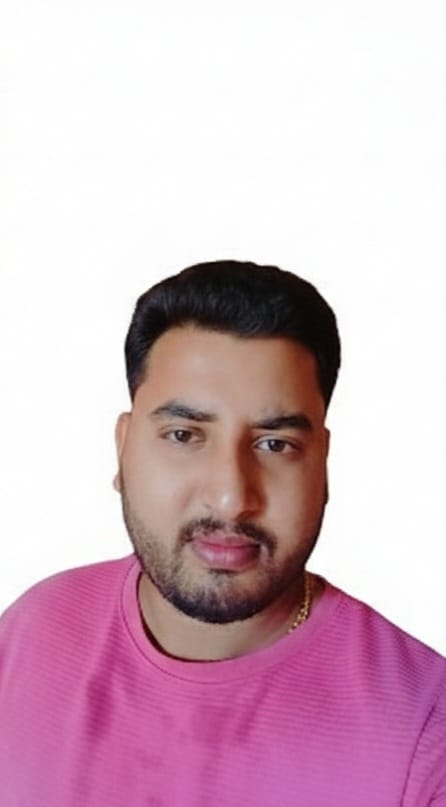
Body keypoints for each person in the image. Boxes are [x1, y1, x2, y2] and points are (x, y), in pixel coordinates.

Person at [0, 260, 445, 806]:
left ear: (323, 464)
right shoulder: (31, 629)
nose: (232, 497)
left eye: (275, 444)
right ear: (123, 449)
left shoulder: (426, 729)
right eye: (184, 435)